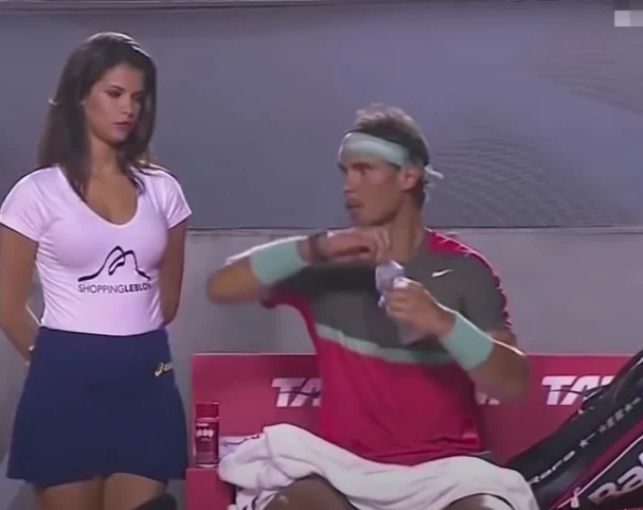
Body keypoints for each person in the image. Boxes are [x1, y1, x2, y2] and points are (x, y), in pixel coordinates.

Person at [206, 106, 533, 510]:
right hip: (343, 471)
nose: (348, 186)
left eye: (364, 170)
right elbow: (221, 287)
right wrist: (316, 247)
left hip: (448, 475)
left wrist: (444, 323)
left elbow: (512, 384)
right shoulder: (326, 265)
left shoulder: (465, 270)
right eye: (345, 172)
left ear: (408, 177)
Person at [0, 32, 190, 510]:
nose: (128, 109)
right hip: (65, 380)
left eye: (138, 98)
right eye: (115, 94)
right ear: (81, 97)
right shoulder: (36, 194)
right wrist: (58, 360)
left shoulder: (164, 192)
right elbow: (8, 309)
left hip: (145, 378)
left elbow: (166, 300)